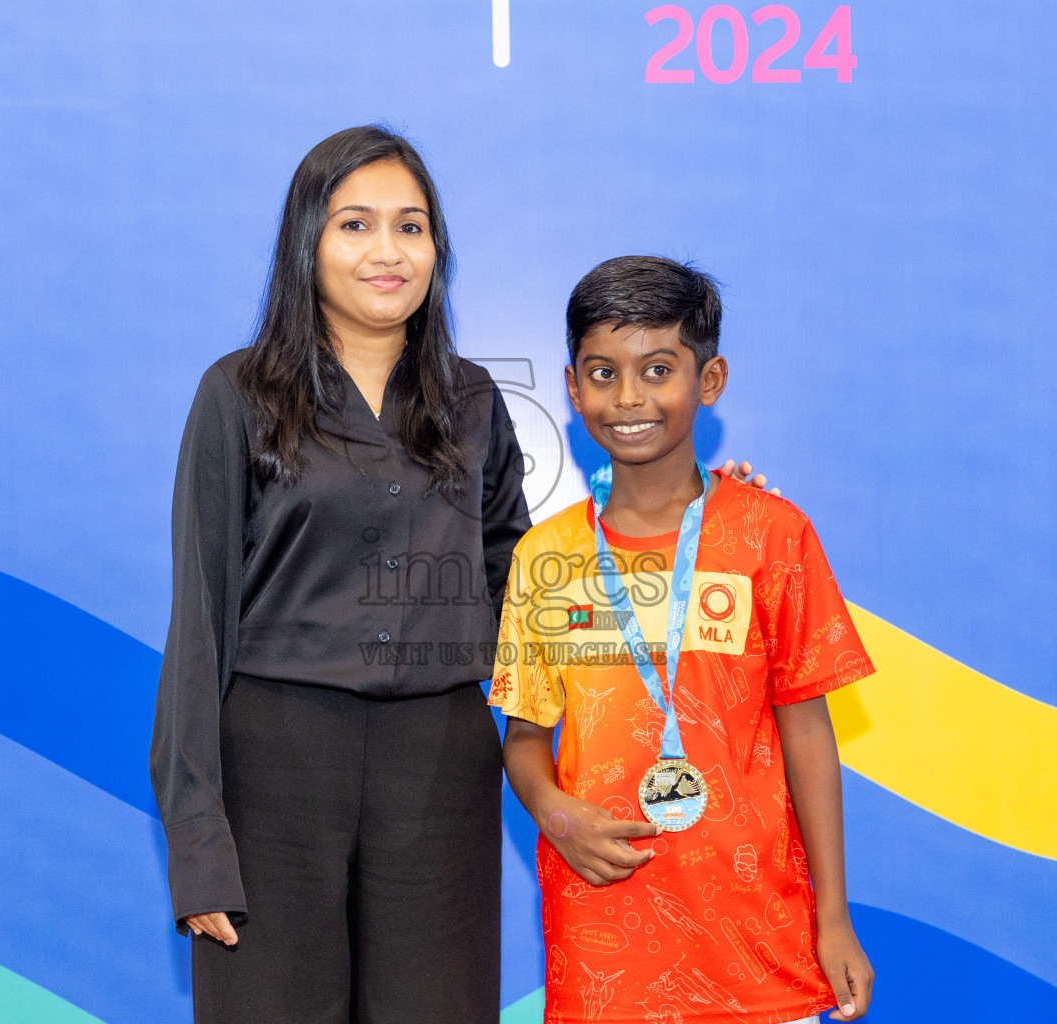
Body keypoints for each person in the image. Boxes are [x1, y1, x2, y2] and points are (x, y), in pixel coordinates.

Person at [149, 126, 529, 1024]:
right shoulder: (236, 394)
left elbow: (526, 580)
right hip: (273, 769)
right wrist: (200, 838)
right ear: (306, 243)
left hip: (440, 768)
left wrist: (688, 512)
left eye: (412, 226)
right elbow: (199, 622)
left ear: (438, 248)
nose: (388, 252)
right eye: (355, 225)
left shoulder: (474, 399)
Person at [494, 256, 876, 1023]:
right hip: (604, 943)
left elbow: (808, 730)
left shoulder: (774, 535)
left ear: (710, 380)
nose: (628, 398)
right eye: (602, 373)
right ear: (571, 389)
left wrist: (833, 916)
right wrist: (556, 814)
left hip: (759, 944)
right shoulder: (547, 556)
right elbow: (524, 737)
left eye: (658, 369)